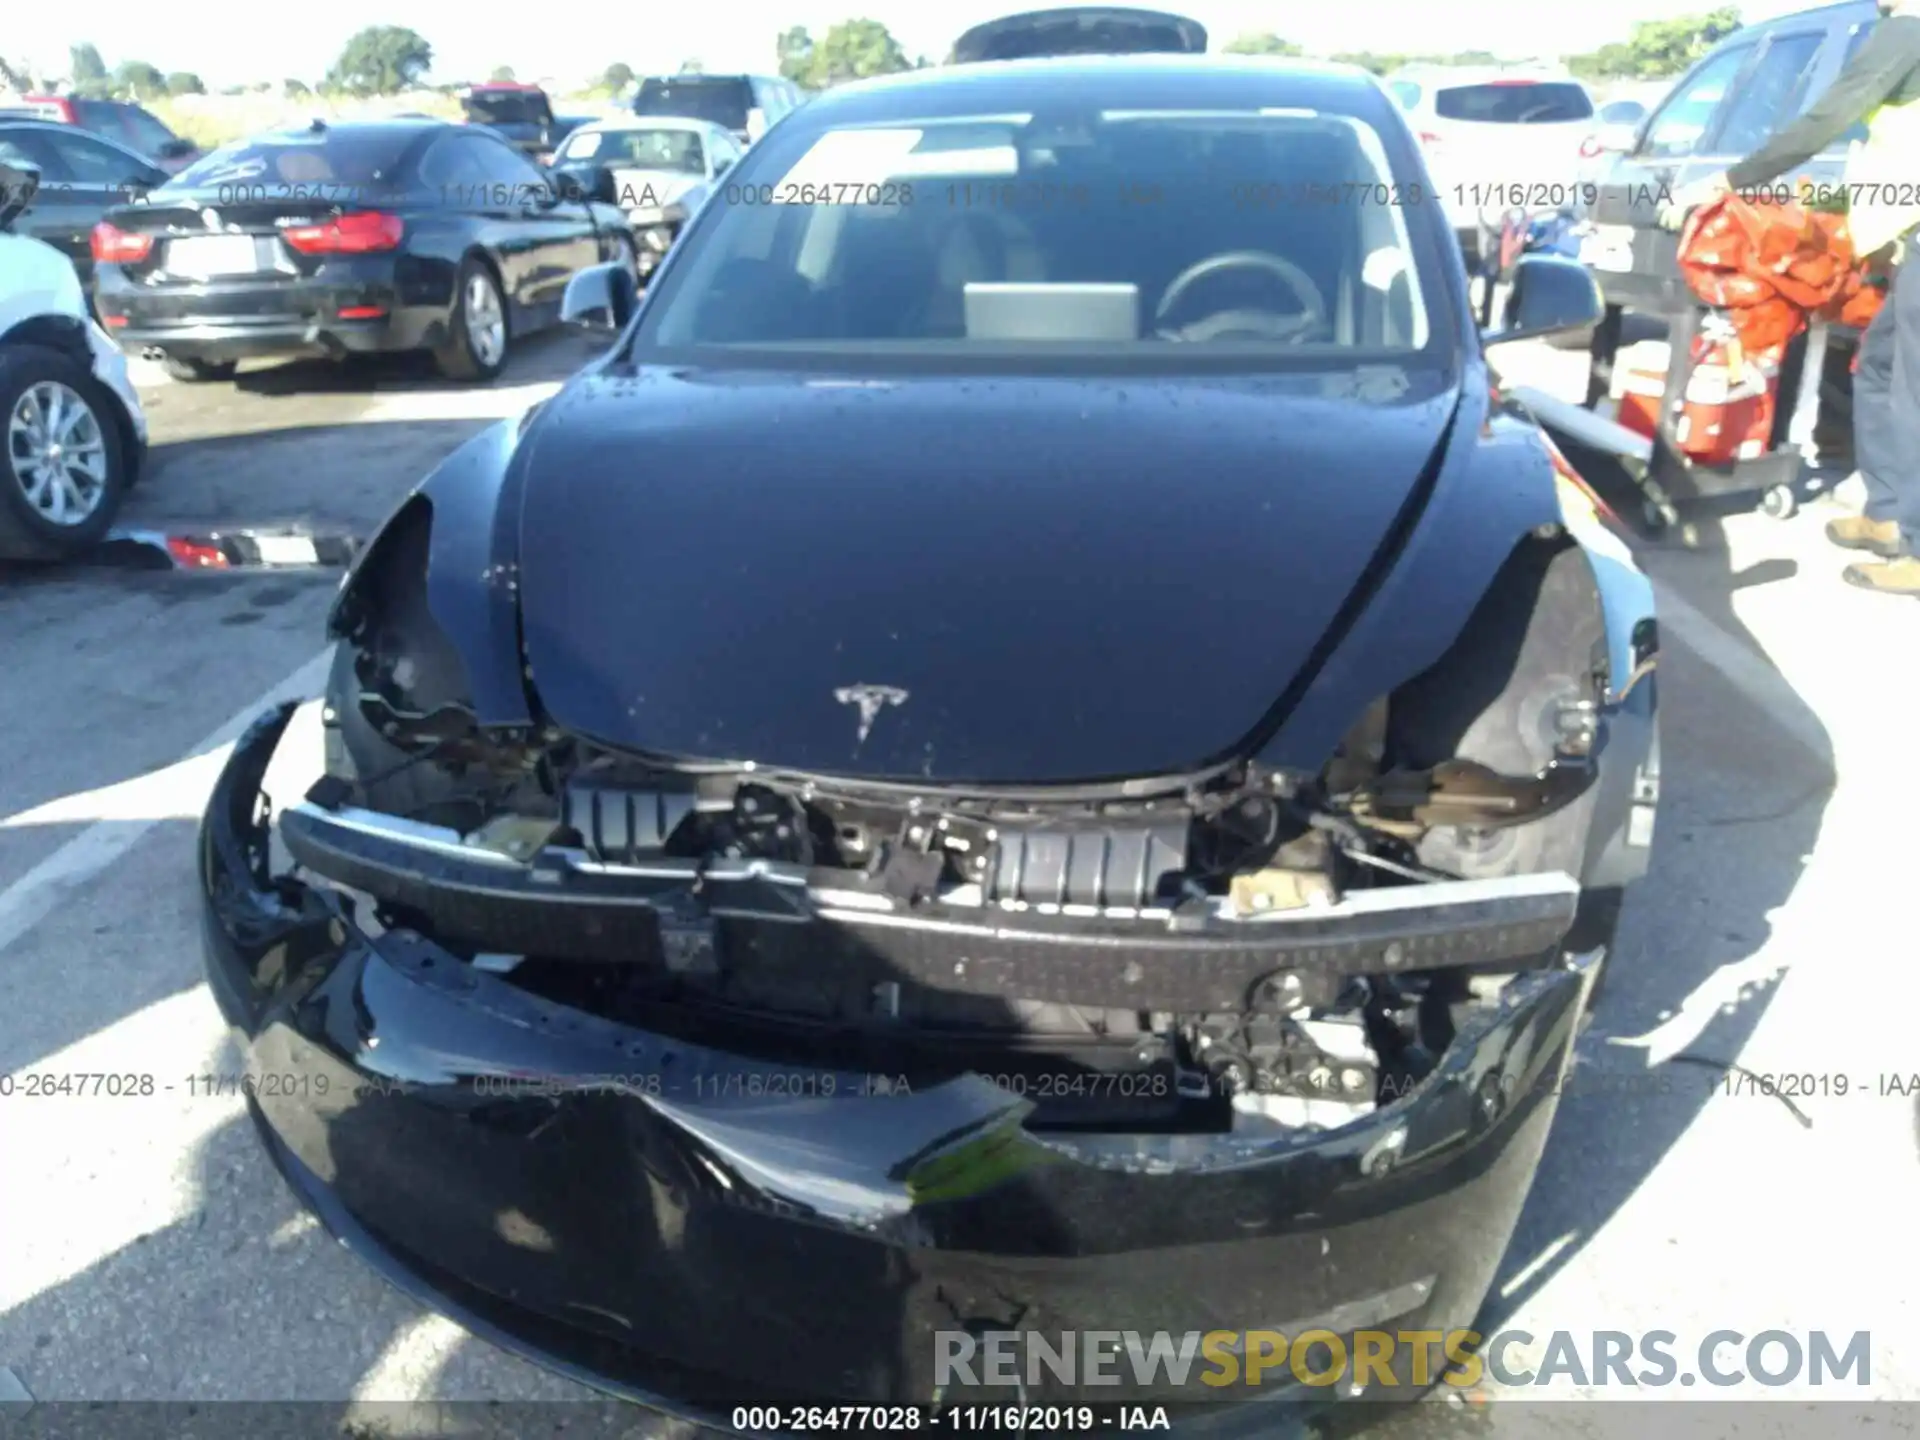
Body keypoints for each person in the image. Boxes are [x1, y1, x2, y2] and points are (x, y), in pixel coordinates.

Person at [1661, 0, 1920, 597]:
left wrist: (1730, 179)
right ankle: (1887, 511)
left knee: (1909, 390)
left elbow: (1826, 118)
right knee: (1879, 370)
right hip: (1907, 238)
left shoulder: (1905, 31)